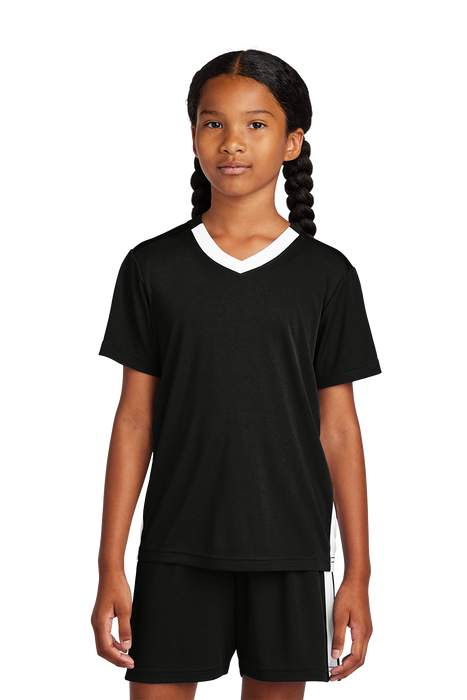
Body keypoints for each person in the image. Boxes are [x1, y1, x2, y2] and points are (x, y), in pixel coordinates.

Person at [90, 44, 384, 699]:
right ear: (193, 134)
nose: (232, 141)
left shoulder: (327, 275)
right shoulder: (151, 266)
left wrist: (356, 577)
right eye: (213, 122)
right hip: (174, 548)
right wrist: (111, 564)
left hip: (288, 553)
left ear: (291, 141)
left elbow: (339, 430)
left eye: (256, 123)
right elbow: (134, 420)